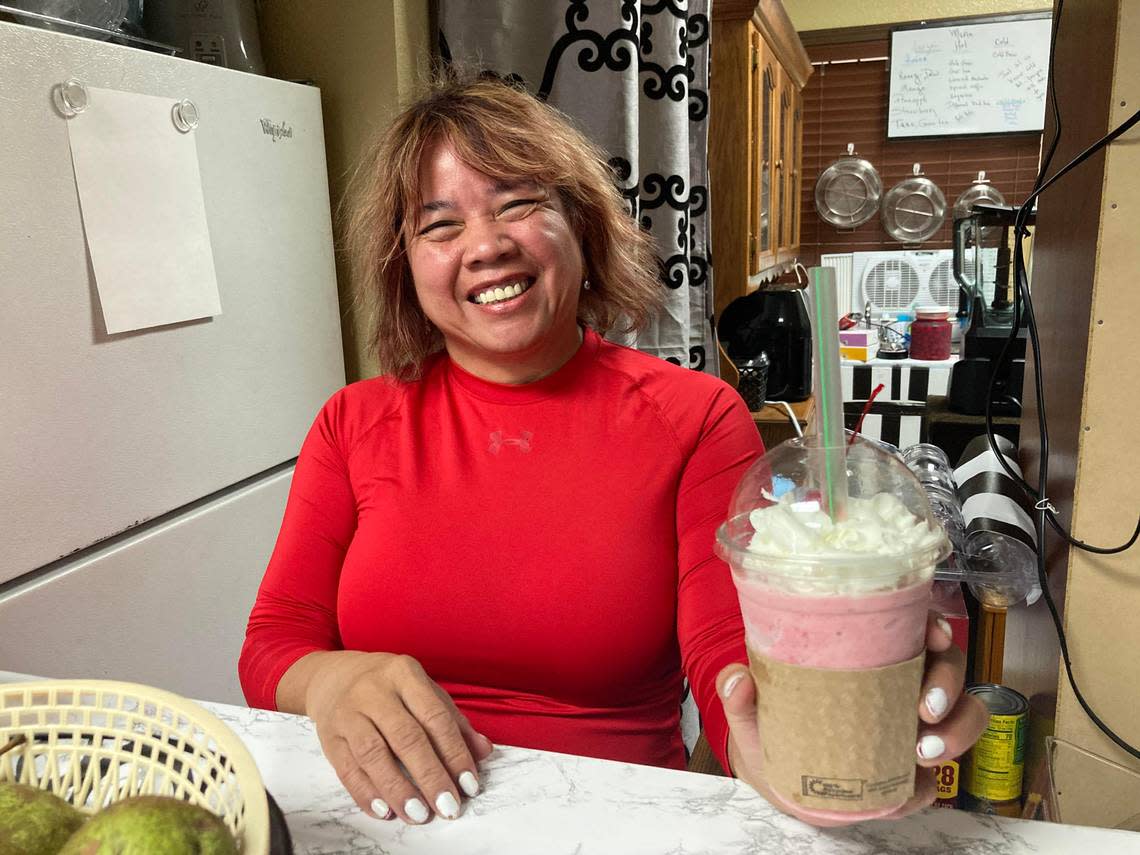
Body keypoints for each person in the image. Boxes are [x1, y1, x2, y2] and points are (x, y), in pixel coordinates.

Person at [238, 74, 987, 828]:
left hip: (614, 825)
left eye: (519, 203)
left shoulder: (694, 418)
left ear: (582, 225)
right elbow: (274, 640)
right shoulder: (352, 421)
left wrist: (810, 745)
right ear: (406, 264)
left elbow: (730, 652)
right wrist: (333, 681)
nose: (487, 245)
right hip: (385, 824)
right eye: (440, 225)